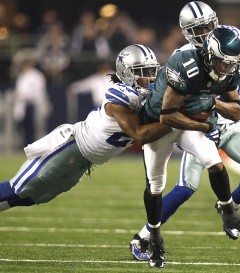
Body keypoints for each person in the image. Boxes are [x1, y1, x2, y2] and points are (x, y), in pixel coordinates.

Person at [130, 1, 240, 262]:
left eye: (210, 25)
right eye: (200, 29)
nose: (207, 31)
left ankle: (229, 210)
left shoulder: (228, 43)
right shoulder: (186, 60)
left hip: (216, 119)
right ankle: (147, 235)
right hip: (180, 120)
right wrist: (205, 124)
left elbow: (237, 97)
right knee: (174, 186)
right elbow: (168, 113)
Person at [0, 44, 171, 215]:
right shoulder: (122, 96)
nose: (151, 78)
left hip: (83, 162)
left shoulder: (144, 96)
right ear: (128, 74)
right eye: (144, 72)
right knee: (18, 189)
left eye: (152, 71)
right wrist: (175, 120)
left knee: (31, 197)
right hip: (70, 148)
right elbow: (140, 134)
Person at [13, 59, 52, 147]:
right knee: (24, 126)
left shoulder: (37, 76)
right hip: (23, 105)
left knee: (34, 127)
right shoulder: (22, 75)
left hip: (34, 104)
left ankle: (33, 145)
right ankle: (24, 145)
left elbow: (39, 91)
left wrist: (26, 96)